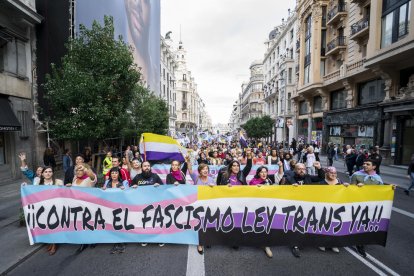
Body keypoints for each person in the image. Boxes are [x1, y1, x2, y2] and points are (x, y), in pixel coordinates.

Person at [284, 161, 325, 258]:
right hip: (295, 206)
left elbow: (321, 178)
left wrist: (319, 168)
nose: (302, 171)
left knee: (307, 224)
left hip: (307, 205)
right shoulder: (290, 178)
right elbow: (283, 190)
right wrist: (290, 186)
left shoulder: (308, 177)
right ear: (295, 170)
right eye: (299, 169)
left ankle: (307, 241)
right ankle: (295, 245)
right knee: (296, 225)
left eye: (303, 169)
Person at [350, 159, 384, 257]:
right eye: (364, 163)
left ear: (374, 167)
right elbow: (350, 190)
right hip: (358, 204)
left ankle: (360, 241)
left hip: (371, 205)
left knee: (366, 224)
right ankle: (360, 245)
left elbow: (381, 190)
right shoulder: (356, 175)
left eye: (367, 164)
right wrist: (356, 187)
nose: (364, 165)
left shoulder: (377, 178)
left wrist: (391, 188)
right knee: (358, 223)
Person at [186, 158, 215, 254]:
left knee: (208, 223)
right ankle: (200, 243)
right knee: (199, 224)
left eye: (207, 169)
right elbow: (190, 170)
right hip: (198, 205)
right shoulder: (196, 178)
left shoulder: (211, 179)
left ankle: (208, 240)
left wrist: (213, 187)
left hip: (209, 205)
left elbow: (217, 192)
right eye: (203, 169)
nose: (205, 170)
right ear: (199, 171)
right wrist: (188, 161)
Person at [318, 166, 349, 253]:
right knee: (324, 226)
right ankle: (322, 243)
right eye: (331, 173)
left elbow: (348, 194)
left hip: (337, 209)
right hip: (325, 208)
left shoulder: (340, 183)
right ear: (326, 173)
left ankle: (333, 244)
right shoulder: (321, 183)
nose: (333, 174)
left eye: (335, 173)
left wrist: (347, 187)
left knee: (335, 226)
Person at [102, 167, 129, 254]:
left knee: (120, 224)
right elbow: (102, 195)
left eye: (116, 173)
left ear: (119, 174)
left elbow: (129, 194)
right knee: (113, 224)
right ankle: (116, 242)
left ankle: (122, 243)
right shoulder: (107, 182)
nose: (114, 174)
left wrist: (124, 190)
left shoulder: (124, 182)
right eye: (112, 173)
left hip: (121, 207)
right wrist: (103, 190)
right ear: (110, 174)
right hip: (110, 207)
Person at [38, 166, 63, 255]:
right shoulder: (38, 183)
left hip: (55, 208)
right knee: (47, 227)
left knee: (54, 226)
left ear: (52, 173)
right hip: (43, 209)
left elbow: (64, 193)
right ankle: (50, 242)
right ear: (42, 174)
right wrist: (24, 186)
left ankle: (54, 245)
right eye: (46, 172)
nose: (48, 173)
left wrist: (67, 187)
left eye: (50, 171)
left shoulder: (58, 182)